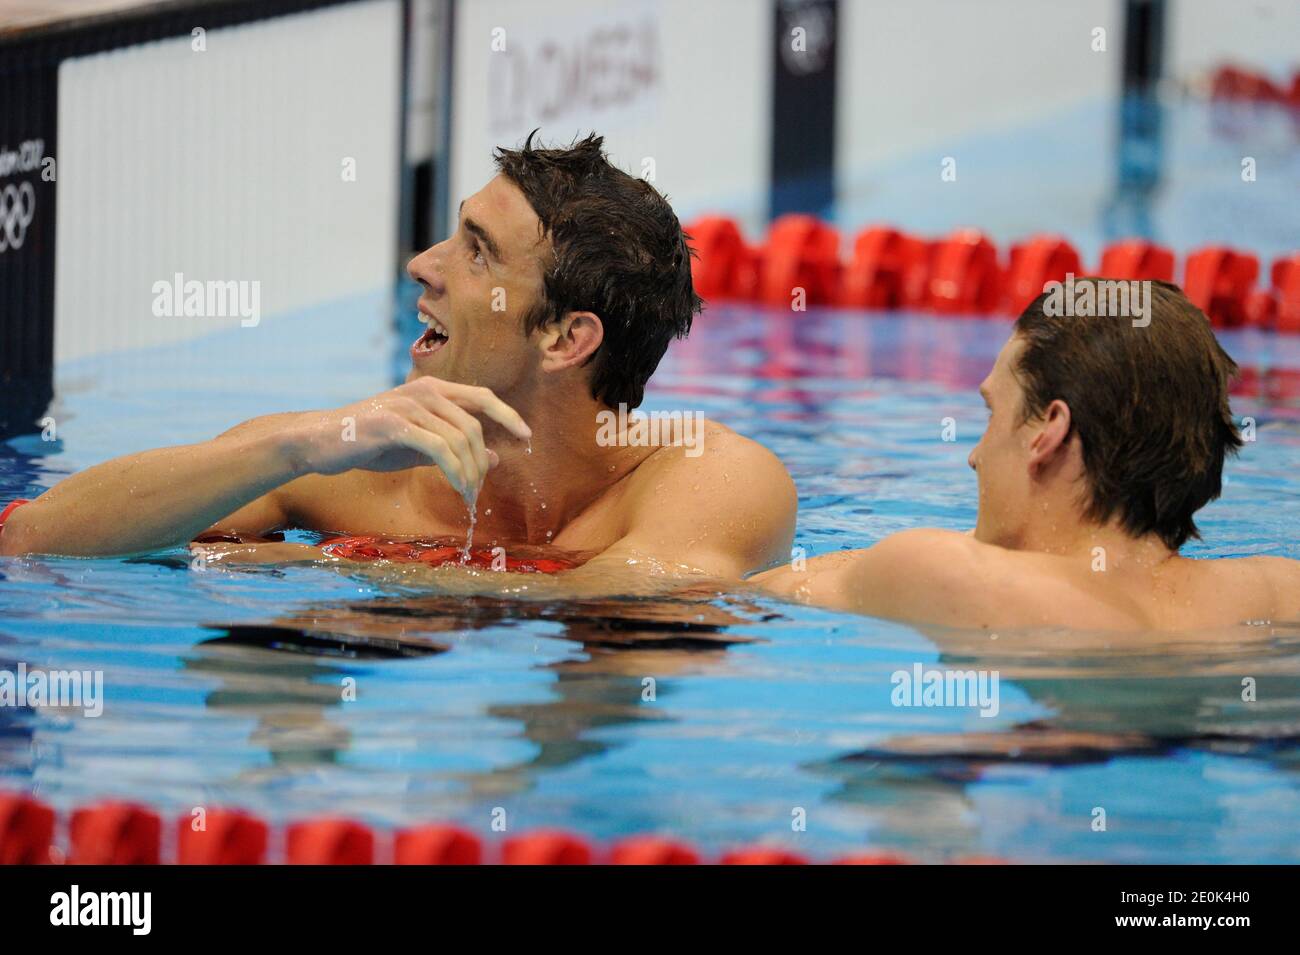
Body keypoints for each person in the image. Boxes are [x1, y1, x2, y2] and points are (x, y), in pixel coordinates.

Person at [0, 133, 796, 593]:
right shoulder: (346, 459)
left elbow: (622, 605)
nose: (422, 263)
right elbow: (33, 536)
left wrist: (338, 567)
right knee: (277, 658)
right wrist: (292, 449)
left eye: (476, 254)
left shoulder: (713, 477)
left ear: (564, 338)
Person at [756, 279, 1299, 631]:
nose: (975, 456)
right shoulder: (1278, 594)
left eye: (992, 414)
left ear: (1048, 431)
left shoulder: (944, 572)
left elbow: (729, 600)